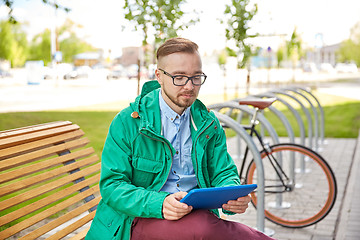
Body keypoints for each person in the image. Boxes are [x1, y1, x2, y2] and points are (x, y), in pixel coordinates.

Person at [86, 37, 275, 240]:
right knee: (204, 228)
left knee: (203, 226)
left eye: (196, 77)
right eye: (179, 77)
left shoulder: (208, 123)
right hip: (137, 220)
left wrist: (230, 193)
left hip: (195, 216)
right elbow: (112, 186)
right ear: (159, 76)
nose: (189, 86)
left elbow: (223, 172)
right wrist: (160, 203)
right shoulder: (128, 122)